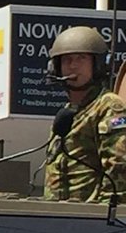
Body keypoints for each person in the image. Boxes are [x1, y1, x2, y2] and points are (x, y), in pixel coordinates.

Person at [43, 25, 126, 201]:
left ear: (97, 64)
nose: (73, 66)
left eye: (81, 58)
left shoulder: (108, 107)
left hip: (91, 213)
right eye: (67, 60)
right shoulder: (66, 115)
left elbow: (119, 166)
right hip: (57, 213)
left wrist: (104, 211)